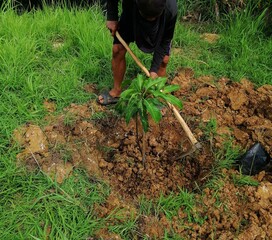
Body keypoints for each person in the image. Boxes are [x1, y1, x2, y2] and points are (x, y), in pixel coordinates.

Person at [97, 0, 178, 105]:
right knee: (117, 49)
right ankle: (116, 91)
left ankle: (157, 100)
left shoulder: (170, 9)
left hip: (162, 19)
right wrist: (112, 17)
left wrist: (153, 70)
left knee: (163, 60)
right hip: (132, 12)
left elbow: (165, 41)